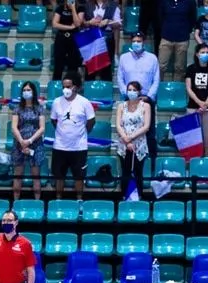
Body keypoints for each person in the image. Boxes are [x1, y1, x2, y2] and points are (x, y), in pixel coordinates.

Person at [50, 74, 95, 200]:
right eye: (64, 87)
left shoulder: (84, 102)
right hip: (60, 146)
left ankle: (79, 200)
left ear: (76, 87)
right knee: (59, 176)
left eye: (68, 86)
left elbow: (91, 121)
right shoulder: (56, 102)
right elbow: (54, 120)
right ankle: (58, 199)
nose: (66, 89)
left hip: (79, 147)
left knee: (79, 176)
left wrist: (81, 133)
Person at [117, 32, 159, 168]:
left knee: (150, 132)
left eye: (139, 41)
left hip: (146, 99)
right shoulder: (124, 58)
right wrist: (126, 93)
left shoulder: (152, 58)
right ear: (131, 42)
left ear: (144, 42)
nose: (136, 43)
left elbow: (156, 79)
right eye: (134, 40)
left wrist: (149, 96)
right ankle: (126, 162)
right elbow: (120, 78)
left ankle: (151, 164)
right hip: (128, 99)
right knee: (126, 129)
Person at [10, 81, 46, 201]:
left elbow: (42, 128)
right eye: (24, 90)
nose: (26, 92)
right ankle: (15, 202)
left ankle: (37, 202)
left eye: (28, 90)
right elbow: (14, 127)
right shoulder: (17, 109)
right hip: (19, 145)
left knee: (36, 176)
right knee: (17, 175)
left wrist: (29, 141)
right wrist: (22, 141)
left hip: (35, 145)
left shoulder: (39, 108)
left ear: (33, 92)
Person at [115, 81, 150, 198]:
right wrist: (126, 140)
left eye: (134, 90)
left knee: (138, 172)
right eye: (129, 90)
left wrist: (131, 138)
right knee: (125, 172)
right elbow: (119, 125)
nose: (131, 92)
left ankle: (139, 198)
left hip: (139, 144)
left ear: (139, 92)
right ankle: (124, 198)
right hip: (124, 144)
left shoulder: (145, 106)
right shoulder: (121, 106)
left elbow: (146, 126)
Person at [185, 44, 208, 158]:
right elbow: (188, 88)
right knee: (193, 142)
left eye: (207, 53)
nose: (205, 55)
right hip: (193, 107)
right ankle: (193, 167)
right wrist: (199, 102)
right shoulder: (190, 69)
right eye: (202, 52)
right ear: (197, 54)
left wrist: (205, 104)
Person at [157, 0, 196, 81]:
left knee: (180, 68)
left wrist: (186, 30)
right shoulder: (164, 1)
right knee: (161, 66)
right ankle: (159, 86)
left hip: (182, 39)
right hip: (166, 38)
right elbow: (159, 17)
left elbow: (193, 18)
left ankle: (177, 88)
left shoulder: (190, 2)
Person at [85, 0, 121, 81]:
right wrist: (89, 22)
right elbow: (81, 23)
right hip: (90, 38)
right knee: (90, 70)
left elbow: (118, 24)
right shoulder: (87, 4)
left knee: (106, 68)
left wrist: (108, 22)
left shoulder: (113, 5)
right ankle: (88, 89)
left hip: (106, 39)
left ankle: (106, 89)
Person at [51, 0, 85, 83]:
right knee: (58, 64)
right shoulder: (60, 8)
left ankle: (73, 85)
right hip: (61, 38)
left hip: (74, 39)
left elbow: (77, 24)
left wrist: (73, 9)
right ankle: (56, 85)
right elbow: (55, 24)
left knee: (73, 65)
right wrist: (69, 27)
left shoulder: (80, 8)